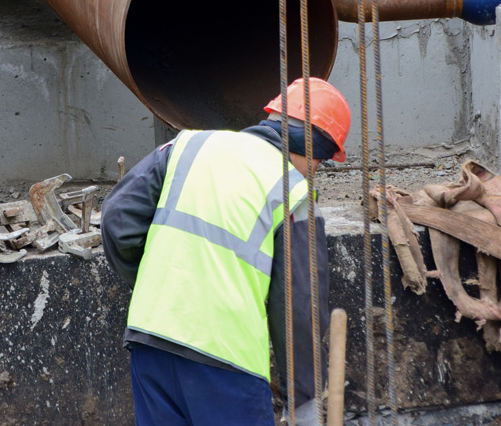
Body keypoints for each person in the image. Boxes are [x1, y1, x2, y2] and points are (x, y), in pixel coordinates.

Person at [101, 77, 352, 426]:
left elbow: (116, 219)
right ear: (315, 152)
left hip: (151, 343)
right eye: (321, 163)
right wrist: (304, 396)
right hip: (225, 362)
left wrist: (156, 283)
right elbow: (299, 305)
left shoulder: (189, 145)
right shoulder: (293, 192)